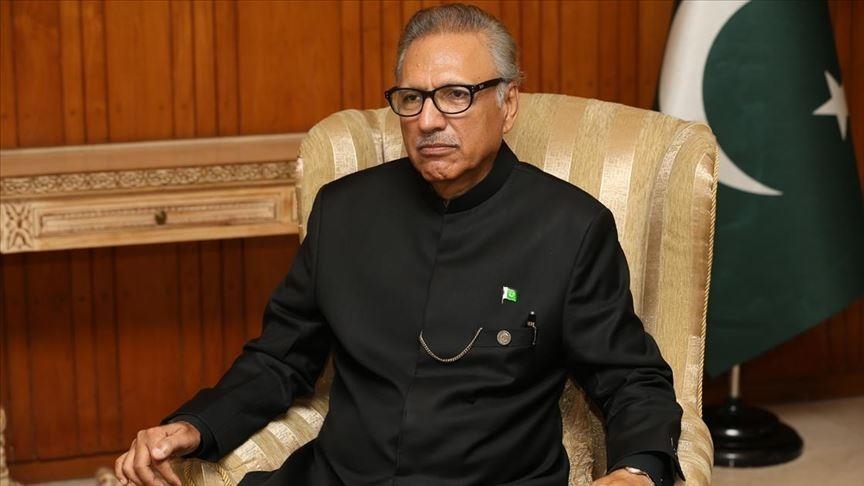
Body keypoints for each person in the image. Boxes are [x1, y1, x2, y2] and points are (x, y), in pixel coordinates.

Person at [115, 4, 683, 486]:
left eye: (456, 95)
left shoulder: (571, 227)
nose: (429, 120)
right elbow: (280, 358)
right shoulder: (344, 211)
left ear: (509, 103)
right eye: (412, 98)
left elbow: (631, 377)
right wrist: (194, 426)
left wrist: (636, 469)